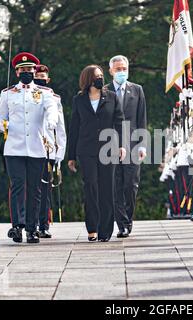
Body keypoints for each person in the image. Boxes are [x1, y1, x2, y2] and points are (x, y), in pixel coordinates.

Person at [0, 52, 58, 244]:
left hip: (37, 147)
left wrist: (51, 121)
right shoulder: (7, 93)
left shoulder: (44, 93)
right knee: (17, 186)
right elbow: (0, 117)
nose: (26, 72)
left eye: (29, 69)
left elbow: (51, 110)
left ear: (34, 71)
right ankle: (17, 226)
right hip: (14, 147)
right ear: (16, 72)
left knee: (35, 189)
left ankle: (32, 229)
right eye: (22, 70)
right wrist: (1, 126)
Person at [67, 65, 126, 242]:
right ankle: (92, 227)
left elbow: (119, 123)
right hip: (86, 150)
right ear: (88, 80)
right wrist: (71, 156)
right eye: (96, 76)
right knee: (91, 187)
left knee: (107, 189)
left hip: (108, 149)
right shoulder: (79, 100)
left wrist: (122, 146)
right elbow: (74, 128)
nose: (100, 79)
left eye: (101, 75)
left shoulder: (112, 98)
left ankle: (105, 230)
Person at [106, 55, 147, 238]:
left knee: (131, 185)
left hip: (132, 142)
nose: (121, 72)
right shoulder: (104, 91)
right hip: (109, 143)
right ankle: (121, 224)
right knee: (115, 185)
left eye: (124, 69)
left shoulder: (137, 90)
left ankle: (128, 219)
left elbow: (142, 119)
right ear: (111, 71)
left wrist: (142, 145)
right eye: (118, 69)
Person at [34, 64, 67, 238]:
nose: (40, 78)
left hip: (48, 149)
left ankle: (43, 225)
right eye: (37, 75)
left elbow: (60, 129)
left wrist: (59, 154)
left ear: (48, 79)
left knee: (45, 189)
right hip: (30, 148)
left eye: (43, 76)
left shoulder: (55, 98)